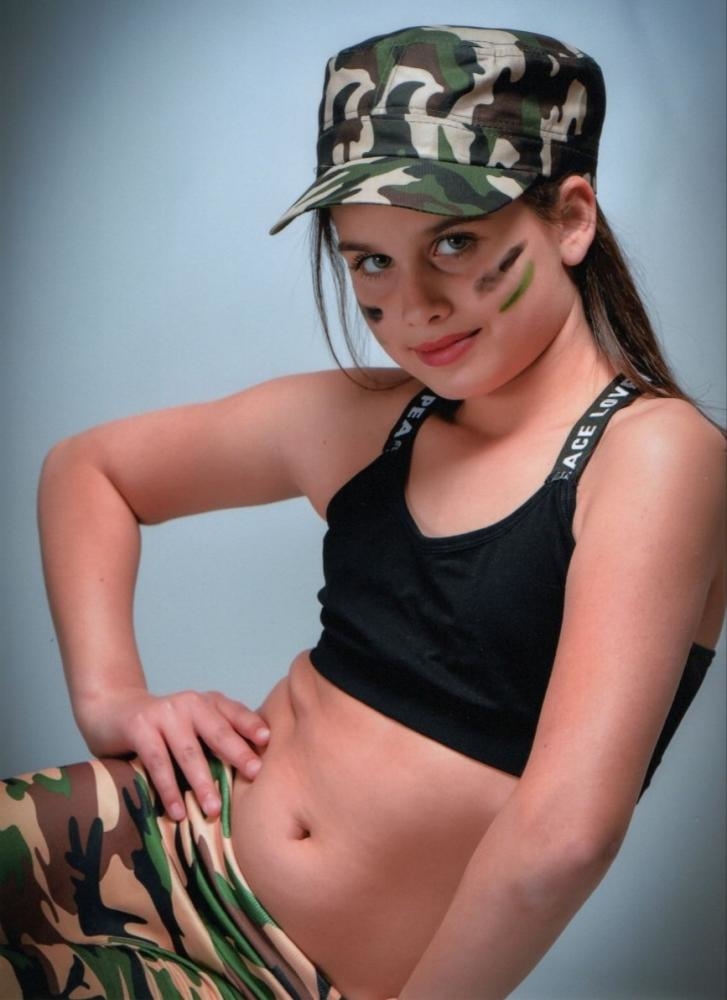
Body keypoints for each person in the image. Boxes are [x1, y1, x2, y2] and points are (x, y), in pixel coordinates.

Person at [1, 24, 724, 1000]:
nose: (412, 305)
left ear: (569, 218)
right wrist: (111, 696)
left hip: (272, 977)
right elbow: (90, 469)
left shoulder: (652, 455)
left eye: (454, 243)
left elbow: (563, 834)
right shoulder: (371, 421)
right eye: (370, 261)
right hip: (144, 837)